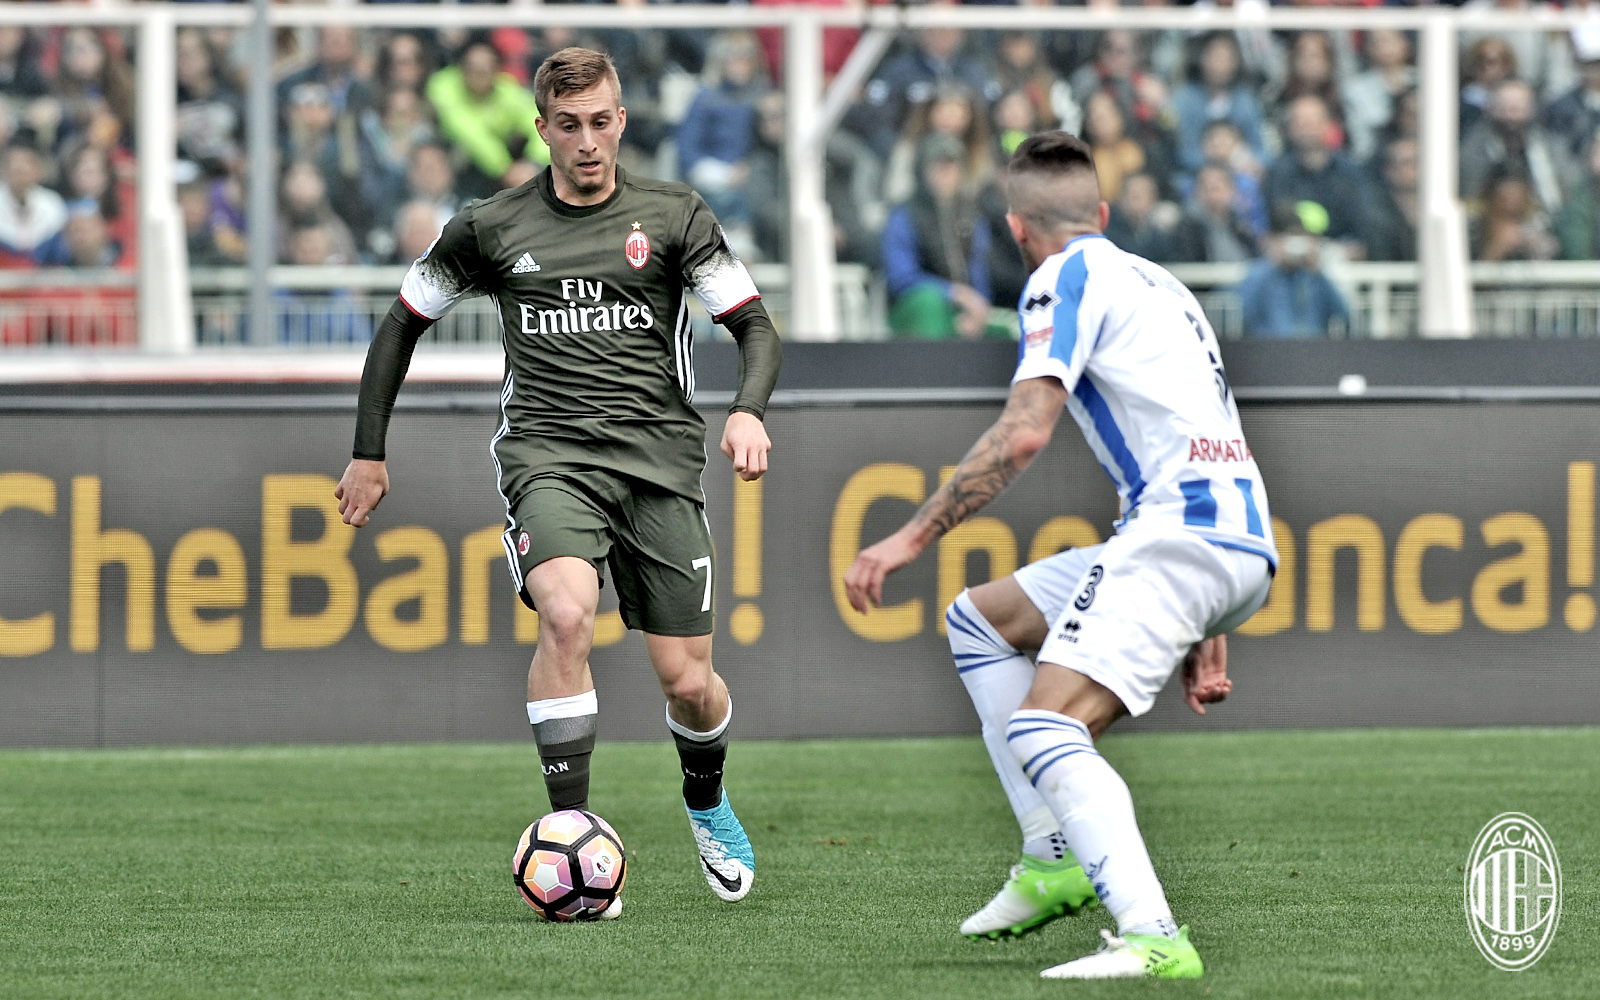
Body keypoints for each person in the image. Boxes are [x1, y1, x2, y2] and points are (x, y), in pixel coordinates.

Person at [335, 47, 782, 911]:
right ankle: (576, 841)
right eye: (568, 125)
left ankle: (705, 798)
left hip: (660, 468)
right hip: (549, 460)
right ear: (540, 128)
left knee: (689, 683)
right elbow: (400, 323)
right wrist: (368, 449)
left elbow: (754, 326)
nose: (586, 141)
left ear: (622, 120)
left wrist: (749, 408)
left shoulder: (676, 215)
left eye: (601, 121)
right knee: (567, 615)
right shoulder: (489, 226)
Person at [845, 130, 1272, 981]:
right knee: (981, 621)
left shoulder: (1061, 277)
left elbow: (1025, 432)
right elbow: (1194, 427)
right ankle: (1054, 854)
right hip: (1233, 533)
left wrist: (909, 535)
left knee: (1047, 726)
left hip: (1181, 537)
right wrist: (1208, 617)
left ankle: (1154, 938)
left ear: (1015, 228)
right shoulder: (1163, 283)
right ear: (1104, 214)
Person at [882, 134, 992, 339]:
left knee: (1013, 326)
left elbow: (980, 270)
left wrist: (978, 306)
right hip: (914, 305)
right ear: (922, 171)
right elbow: (901, 277)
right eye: (939, 167)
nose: (946, 174)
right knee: (929, 305)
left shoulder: (973, 215)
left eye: (951, 167)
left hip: (966, 307)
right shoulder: (905, 214)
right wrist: (954, 293)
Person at [426, 40, 549, 201]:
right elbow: (469, 133)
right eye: (473, 68)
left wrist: (532, 163)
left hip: (504, 171)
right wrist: (505, 169)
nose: (480, 73)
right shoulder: (443, 86)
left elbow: (541, 124)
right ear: (460, 68)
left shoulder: (508, 89)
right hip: (458, 166)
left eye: (486, 68)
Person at [1238, 202, 1349, 338]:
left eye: (1299, 236)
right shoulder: (1258, 273)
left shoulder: (1312, 276)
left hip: (1312, 350)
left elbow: (1343, 314)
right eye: (1289, 237)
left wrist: (1317, 272)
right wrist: (1274, 263)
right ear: (1274, 239)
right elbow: (1241, 312)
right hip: (1268, 349)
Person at [1171, 164, 1258, 263]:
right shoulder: (1188, 226)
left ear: (1231, 190)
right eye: (1206, 189)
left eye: (1217, 189)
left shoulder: (1241, 222)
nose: (1212, 196)